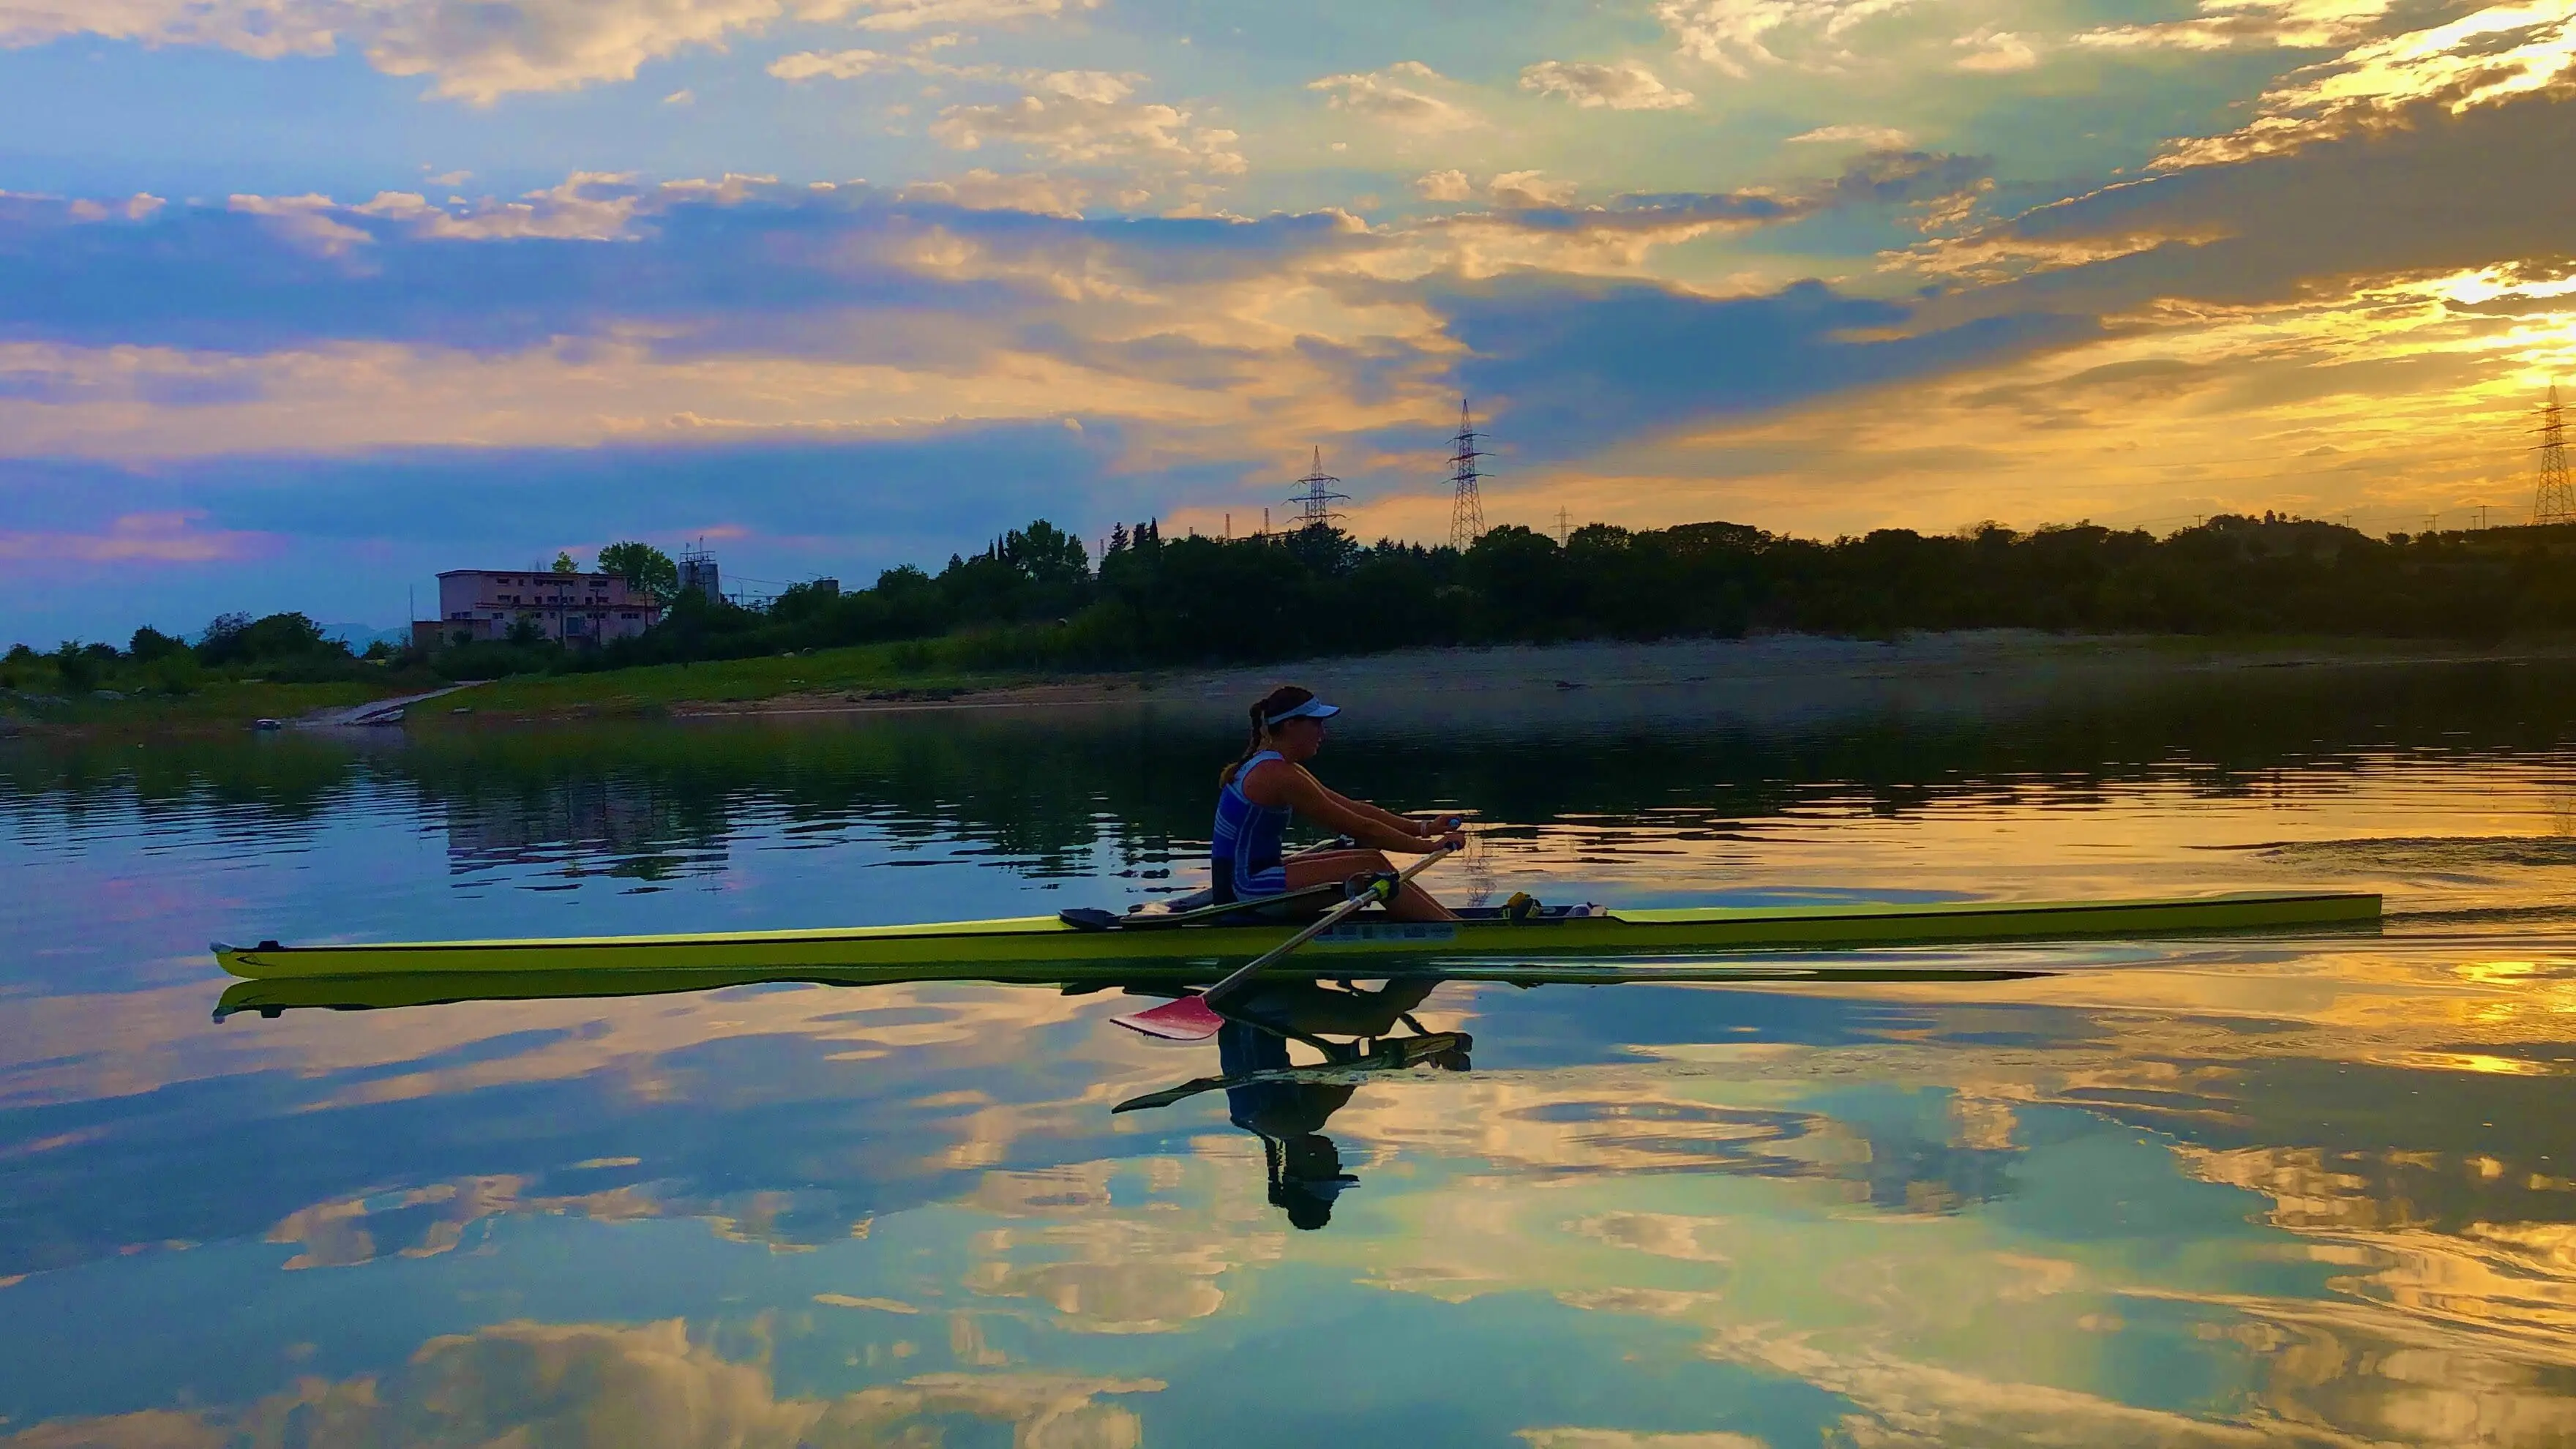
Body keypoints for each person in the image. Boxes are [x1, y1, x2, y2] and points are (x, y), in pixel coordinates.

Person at [1212, 685, 1464, 922]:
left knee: (1367, 857)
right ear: (1290, 725)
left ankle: (1453, 924)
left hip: (1251, 879)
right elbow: (1364, 829)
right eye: (1317, 723)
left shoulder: (1280, 767)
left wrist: (1425, 828)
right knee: (1370, 864)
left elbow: (1355, 809)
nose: (1323, 732)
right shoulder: (1275, 774)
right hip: (1243, 893)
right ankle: (1458, 933)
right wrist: (1428, 848)